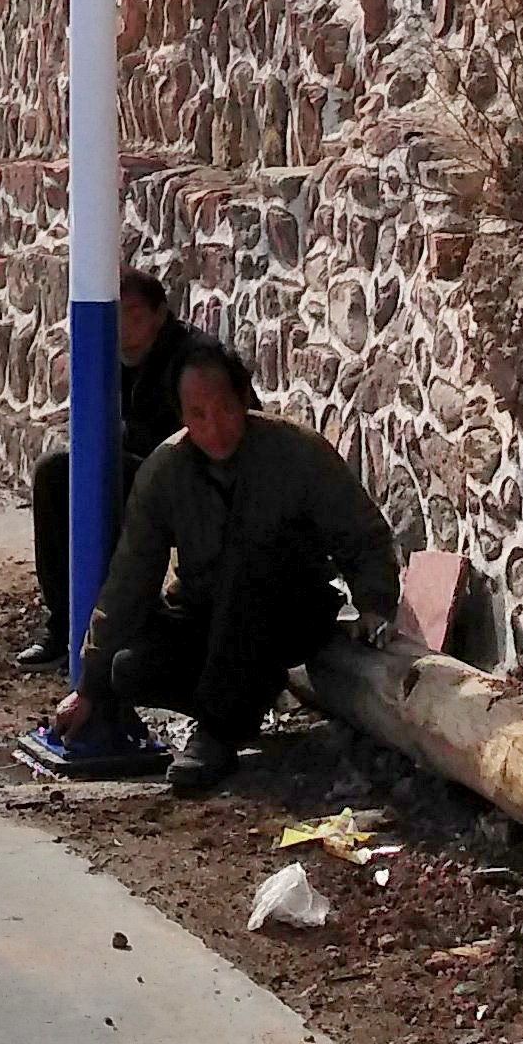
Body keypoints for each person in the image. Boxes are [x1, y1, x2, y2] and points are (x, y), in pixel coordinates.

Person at [50, 338, 407, 795]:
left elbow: (361, 532)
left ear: (243, 401)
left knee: (249, 566)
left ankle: (217, 733)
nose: (214, 427)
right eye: (197, 415)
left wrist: (374, 603)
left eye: (223, 410)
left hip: (288, 607)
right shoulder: (165, 472)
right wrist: (91, 683)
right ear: (181, 417)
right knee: (130, 667)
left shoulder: (297, 452)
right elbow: (131, 578)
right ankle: (241, 696)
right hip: (206, 612)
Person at [16, 267, 208, 670]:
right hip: (136, 470)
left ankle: (126, 624)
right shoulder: (107, 355)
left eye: (134, 314)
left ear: (158, 315)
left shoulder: (190, 359)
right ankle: (67, 622)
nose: (123, 325)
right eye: (117, 312)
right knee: (57, 475)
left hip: (191, 479)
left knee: (109, 482)